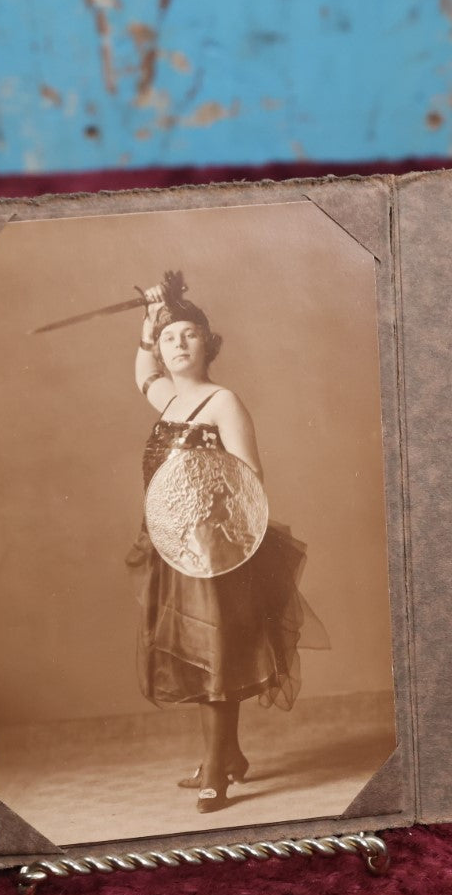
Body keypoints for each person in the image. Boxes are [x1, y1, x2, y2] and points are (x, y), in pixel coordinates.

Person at [127, 276, 328, 813]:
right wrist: (149, 322)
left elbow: (249, 476)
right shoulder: (166, 395)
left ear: (208, 345)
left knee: (216, 654)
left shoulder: (223, 401)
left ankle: (217, 768)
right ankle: (230, 755)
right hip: (174, 546)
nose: (179, 345)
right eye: (171, 338)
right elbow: (142, 371)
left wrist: (208, 510)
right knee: (199, 655)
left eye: (190, 335)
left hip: (216, 549)